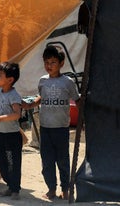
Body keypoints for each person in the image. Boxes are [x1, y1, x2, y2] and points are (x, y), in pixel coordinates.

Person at [22, 45, 80, 200]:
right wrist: (30, 104)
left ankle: (66, 189)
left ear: (61, 63)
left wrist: (83, 118)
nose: (49, 66)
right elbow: (42, 97)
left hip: (61, 128)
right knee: (47, 161)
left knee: (63, 160)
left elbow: (77, 99)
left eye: (53, 62)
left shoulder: (67, 82)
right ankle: (51, 189)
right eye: (46, 62)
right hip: (45, 128)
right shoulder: (42, 81)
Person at [0, 61, 23, 200]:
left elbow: (17, 114)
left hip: (12, 136)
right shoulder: (0, 92)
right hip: (0, 134)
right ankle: (10, 186)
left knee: (13, 163)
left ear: (10, 80)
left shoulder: (13, 95)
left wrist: (0, 119)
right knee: (2, 163)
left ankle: (15, 190)